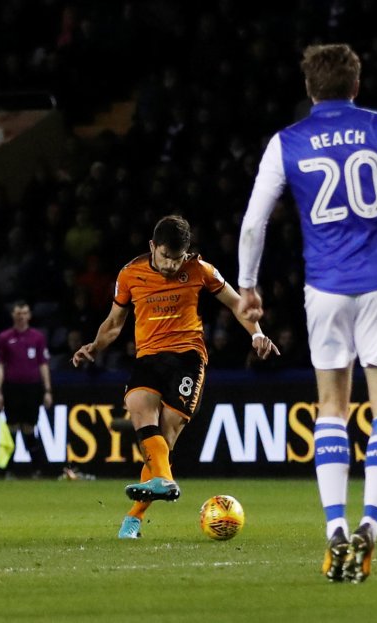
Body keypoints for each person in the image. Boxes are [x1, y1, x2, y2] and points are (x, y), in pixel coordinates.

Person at [237, 43, 377, 583]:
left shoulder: (287, 141)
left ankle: (335, 527)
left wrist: (248, 286)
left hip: (324, 289)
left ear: (311, 90)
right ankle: (369, 527)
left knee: (330, 407)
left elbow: (254, 223)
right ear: (357, 85)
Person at [72, 215, 276, 539]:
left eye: (177, 258)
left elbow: (238, 304)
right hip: (149, 357)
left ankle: (134, 516)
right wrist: (95, 347)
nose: (170, 265)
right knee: (139, 405)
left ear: (187, 253)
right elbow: (113, 323)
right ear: (152, 247)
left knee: (162, 443)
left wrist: (257, 335)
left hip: (188, 358)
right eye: (165, 256)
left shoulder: (199, 270)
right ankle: (164, 483)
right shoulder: (130, 274)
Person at [0, 300, 53, 478]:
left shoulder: (37, 337)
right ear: (13, 315)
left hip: (32, 388)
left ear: (29, 315)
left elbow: (43, 364)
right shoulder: (4, 338)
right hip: (12, 387)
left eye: (25, 313)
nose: (22, 317)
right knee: (11, 427)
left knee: (29, 427)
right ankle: (7, 471)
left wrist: (47, 390)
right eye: (18, 313)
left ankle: (37, 469)